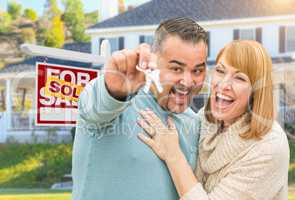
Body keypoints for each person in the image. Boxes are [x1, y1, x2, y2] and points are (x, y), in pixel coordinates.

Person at [72, 17, 208, 200]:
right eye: (176, 69)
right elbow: (95, 106)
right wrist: (114, 90)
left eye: (197, 71)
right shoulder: (117, 101)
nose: (188, 82)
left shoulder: (193, 121)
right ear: (154, 62)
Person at [137, 40, 290, 200]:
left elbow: (174, 153)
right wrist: (152, 62)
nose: (223, 85)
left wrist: (173, 156)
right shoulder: (206, 119)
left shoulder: (268, 147)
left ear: (257, 92)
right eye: (220, 71)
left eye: (239, 78)